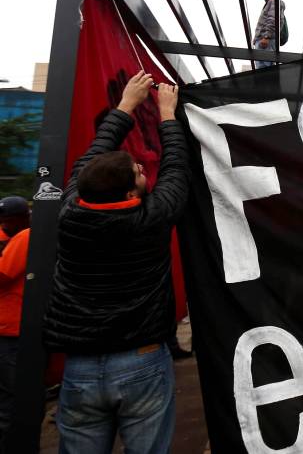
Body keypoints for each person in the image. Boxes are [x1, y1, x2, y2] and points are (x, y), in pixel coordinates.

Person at [43, 71, 188, 454]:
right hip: (141, 361)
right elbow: (175, 168)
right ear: (128, 192)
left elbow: (92, 156)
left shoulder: (71, 213)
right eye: (137, 172)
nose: (143, 168)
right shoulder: (150, 220)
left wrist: (126, 105)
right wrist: (167, 112)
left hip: (81, 369)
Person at [0, 196, 30, 450]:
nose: (5, 222)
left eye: (10, 218)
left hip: (15, 329)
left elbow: (4, 274)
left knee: (14, 395)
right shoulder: (7, 237)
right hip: (7, 328)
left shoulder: (27, 236)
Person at [253, 0, 285, 70]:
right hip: (265, 40)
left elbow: (272, 19)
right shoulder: (271, 3)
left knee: (264, 69)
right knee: (264, 67)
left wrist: (266, 36)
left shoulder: (274, 1)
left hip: (266, 40)